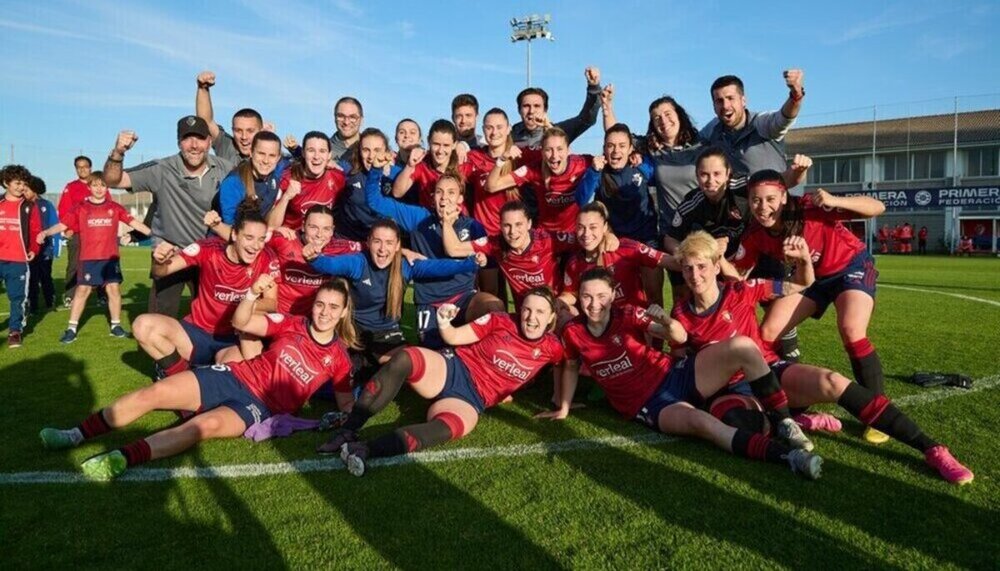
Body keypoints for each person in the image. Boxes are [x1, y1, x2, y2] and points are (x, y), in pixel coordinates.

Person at [672, 231, 973, 484]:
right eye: (688, 268)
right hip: (730, 390)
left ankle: (933, 449)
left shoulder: (742, 289)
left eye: (701, 266)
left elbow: (801, 284)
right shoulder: (680, 314)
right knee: (737, 423)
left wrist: (803, 260)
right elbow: (682, 366)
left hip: (768, 371)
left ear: (715, 265)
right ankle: (795, 419)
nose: (695, 275)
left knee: (832, 381)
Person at [39, 277, 356, 481]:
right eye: (320, 304)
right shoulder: (291, 323)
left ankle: (120, 458)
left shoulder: (340, 358)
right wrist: (251, 293)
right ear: (312, 305)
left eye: (333, 308)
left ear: (343, 313)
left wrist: (343, 419)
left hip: (258, 408)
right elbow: (241, 320)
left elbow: (346, 403)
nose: (324, 312)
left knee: (198, 428)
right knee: (155, 393)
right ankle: (75, 435)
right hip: (233, 376)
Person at [547, 268, 821, 478]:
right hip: (651, 404)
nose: (594, 304)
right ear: (579, 297)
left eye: (601, 296)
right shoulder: (572, 331)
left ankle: (787, 422)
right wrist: (564, 408)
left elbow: (678, 335)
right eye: (586, 296)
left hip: (674, 373)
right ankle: (787, 457)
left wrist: (666, 323)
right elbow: (570, 366)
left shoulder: (627, 313)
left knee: (744, 346)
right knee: (704, 423)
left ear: (612, 294)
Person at [319, 287, 564, 476]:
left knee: (451, 427)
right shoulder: (500, 320)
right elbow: (455, 336)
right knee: (405, 358)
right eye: (527, 310)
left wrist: (562, 404)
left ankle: (366, 450)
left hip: (471, 400)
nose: (531, 317)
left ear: (551, 317)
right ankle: (347, 431)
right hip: (453, 368)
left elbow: (569, 366)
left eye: (540, 312)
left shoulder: (553, 348)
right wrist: (445, 321)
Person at [732, 170, 891, 443]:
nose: (763, 207)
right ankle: (785, 403)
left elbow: (878, 207)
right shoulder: (755, 232)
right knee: (768, 333)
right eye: (756, 201)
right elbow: (737, 273)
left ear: (784, 196)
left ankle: (878, 414)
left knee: (851, 330)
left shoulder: (809, 206)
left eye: (770, 199)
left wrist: (836, 200)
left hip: (849, 267)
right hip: (810, 279)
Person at [308, 219, 483, 383]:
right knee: (327, 370)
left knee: (406, 361)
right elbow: (331, 265)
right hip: (352, 330)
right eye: (377, 241)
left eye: (389, 243)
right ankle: (361, 363)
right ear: (368, 242)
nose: (382, 249)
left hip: (385, 332)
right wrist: (314, 259)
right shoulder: (358, 262)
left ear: (398, 245)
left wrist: (471, 263)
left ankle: (367, 363)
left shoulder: (405, 267)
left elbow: (438, 267)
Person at [364, 151, 504, 347]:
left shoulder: (473, 226)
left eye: (450, 192)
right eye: (439, 192)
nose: (444, 198)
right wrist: (376, 170)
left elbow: (488, 270)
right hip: (430, 301)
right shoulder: (418, 217)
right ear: (432, 198)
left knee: (494, 310)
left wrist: (486, 293)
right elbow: (375, 202)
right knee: (436, 355)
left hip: (465, 297)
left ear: (460, 199)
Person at [103, 117, 237, 316]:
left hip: (209, 256)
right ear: (178, 142)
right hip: (169, 254)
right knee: (159, 320)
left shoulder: (226, 169)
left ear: (209, 141)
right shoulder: (161, 169)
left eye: (199, 138)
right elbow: (113, 180)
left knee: (213, 318)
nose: (194, 145)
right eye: (187, 138)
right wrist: (118, 153)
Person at [132, 201, 280, 379]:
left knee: (236, 380)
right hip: (196, 333)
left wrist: (247, 303)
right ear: (234, 234)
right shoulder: (207, 249)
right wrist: (159, 261)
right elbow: (162, 272)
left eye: (261, 239)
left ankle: (199, 374)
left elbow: (272, 304)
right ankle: (180, 376)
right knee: (142, 326)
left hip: (231, 340)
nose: (256, 246)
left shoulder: (267, 258)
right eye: (249, 238)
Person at [38, 172, 151, 342]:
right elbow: (63, 225)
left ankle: (116, 326)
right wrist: (46, 232)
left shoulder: (115, 207)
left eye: (103, 185)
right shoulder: (80, 208)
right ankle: (71, 328)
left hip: (111, 258)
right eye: (95, 185)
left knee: (113, 290)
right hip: (88, 259)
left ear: (107, 187)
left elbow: (134, 223)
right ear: (89, 187)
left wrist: (155, 234)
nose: (99, 189)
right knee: (82, 290)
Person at [577, 123, 662, 307]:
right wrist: (593, 172)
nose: (616, 151)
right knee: (620, 298)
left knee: (654, 295)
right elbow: (582, 201)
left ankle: (658, 335)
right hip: (616, 243)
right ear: (604, 148)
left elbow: (662, 175)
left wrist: (644, 156)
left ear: (631, 148)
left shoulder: (641, 166)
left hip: (646, 239)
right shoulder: (599, 174)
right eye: (610, 145)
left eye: (622, 146)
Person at [443, 200, 576, 310]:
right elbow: (454, 249)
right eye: (507, 225)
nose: (513, 232)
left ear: (529, 224)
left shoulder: (547, 240)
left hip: (555, 308)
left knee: (572, 314)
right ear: (500, 226)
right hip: (526, 315)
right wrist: (446, 222)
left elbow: (585, 240)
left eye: (518, 224)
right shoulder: (496, 244)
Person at [560, 203, 674, 318]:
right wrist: (557, 302)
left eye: (593, 227)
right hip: (597, 328)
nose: (586, 233)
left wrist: (689, 260)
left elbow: (666, 260)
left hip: (632, 325)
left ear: (605, 227)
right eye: (580, 227)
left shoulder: (625, 248)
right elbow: (571, 293)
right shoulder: (574, 263)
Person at [486, 127, 592, 234]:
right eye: (548, 150)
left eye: (560, 149)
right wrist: (502, 159)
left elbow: (608, 157)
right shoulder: (533, 170)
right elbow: (491, 186)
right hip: (545, 237)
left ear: (568, 150)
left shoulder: (582, 163)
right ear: (541, 152)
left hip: (574, 236)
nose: (554, 156)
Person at [702, 70, 805, 176]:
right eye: (719, 101)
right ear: (713, 106)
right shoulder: (713, 129)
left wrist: (796, 95)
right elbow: (690, 141)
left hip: (773, 191)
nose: (725, 106)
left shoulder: (761, 124)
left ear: (743, 101)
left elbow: (783, 118)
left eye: (730, 98)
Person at [266, 205, 361, 316]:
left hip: (313, 318)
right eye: (313, 227)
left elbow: (369, 247)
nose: (319, 234)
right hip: (280, 314)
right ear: (303, 226)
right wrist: (271, 229)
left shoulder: (339, 247)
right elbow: (254, 239)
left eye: (326, 229)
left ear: (332, 231)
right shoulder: (284, 240)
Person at [213, 131, 287, 239]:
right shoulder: (233, 183)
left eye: (272, 155)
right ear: (251, 153)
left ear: (278, 158)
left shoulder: (274, 176)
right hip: (227, 241)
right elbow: (230, 228)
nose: (266, 161)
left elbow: (298, 161)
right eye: (261, 153)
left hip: (256, 237)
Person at [266, 131, 345, 231]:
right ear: (303, 153)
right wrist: (286, 197)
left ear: (329, 155)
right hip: (292, 236)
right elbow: (270, 226)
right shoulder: (287, 179)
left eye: (322, 151)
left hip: (322, 237)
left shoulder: (337, 176)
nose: (316, 156)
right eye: (311, 150)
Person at [334, 128, 401, 242]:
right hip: (346, 240)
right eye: (366, 150)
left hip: (379, 244)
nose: (371, 156)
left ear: (387, 151)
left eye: (377, 150)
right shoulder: (348, 170)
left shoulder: (396, 176)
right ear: (359, 151)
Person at [0, 165, 41, 349]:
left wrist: (34, 249)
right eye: (17, 183)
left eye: (24, 183)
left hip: (18, 260)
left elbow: (35, 230)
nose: (21, 187)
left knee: (17, 297)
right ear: (6, 183)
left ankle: (15, 331)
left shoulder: (29, 206)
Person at [392, 120, 474, 211]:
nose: (440, 150)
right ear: (428, 141)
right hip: (430, 221)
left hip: (459, 221)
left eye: (446, 145)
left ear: (454, 145)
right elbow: (397, 193)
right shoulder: (422, 163)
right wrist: (410, 165)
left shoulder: (464, 164)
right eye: (436, 144)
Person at [512, 67, 602, 148]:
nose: (531, 111)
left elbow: (586, 119)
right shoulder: (508, 135)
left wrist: (594, 88)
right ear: (519, 110)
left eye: (537, 106)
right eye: (526, 106)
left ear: (545, 110)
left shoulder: (561, 131)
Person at [195, 70, 264, 164]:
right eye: (238, 130)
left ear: (261, 131)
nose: (244, 137)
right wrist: (203, 88)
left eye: (250, 131)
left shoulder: (273, 155)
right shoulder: (227, 147)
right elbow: (206, 122)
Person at [58, 156, 94, 306]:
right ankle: (69, 295)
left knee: (99, 264)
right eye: (79, 167)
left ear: (90, 168)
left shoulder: (99, 185)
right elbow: (64, 209)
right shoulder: (71, 187)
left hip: (96, 233)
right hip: (77, 233)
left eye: (85, 166)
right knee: (74, 265)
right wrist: (68, 228)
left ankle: (102, 295)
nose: (82, 169)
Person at [24, 176, 59, 314]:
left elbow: (54, 224)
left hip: (45, 249)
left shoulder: (46, 205)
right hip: (29, 248)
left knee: (46, 276)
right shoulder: (23, 205)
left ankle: (50, 302)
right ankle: (33, 305)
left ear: (35, 189)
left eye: (27, 189)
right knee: (32, 277)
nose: (24, 192)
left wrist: (55, 247)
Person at [331, 96, 365, 160]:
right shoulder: (323, 151)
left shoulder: (373, 150)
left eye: (352, 117)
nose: (346, 122)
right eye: (341, 116)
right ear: (335, 118)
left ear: (361, 120)